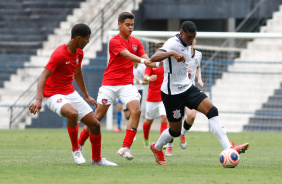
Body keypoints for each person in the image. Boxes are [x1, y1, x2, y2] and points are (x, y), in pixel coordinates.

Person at [149, 21, 249, 165]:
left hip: (187, 88)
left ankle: (230, 148)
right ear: (181, 33)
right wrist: (172, 53)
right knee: (175, 131)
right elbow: (153, 58)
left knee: (212, 111)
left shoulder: (189, 45)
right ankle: (157, 148)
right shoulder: (172, 43)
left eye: (193, 37)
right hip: (172, 94)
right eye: (189, 37)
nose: (191, 41)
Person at [29, 23, 117, 166]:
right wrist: (38, 100)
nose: (88, 42)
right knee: (73, 113)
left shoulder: (79, 52)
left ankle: (97, 159)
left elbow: (77, 73)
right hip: (52, 94)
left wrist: (86, 95)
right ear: (78, 38)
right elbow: (43, 76)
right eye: (86, 39)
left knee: (95, 124)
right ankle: (76, 150)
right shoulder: (59, 54)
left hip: (69, 92)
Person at [77, 12, 157, 161]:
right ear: (119, 24)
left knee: (136, 110)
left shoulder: (136, 42)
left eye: (132, 25)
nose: (130, 28)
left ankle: (125, 147)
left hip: (127, 84)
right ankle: (79, 144)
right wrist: (145, 61)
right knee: (96, 118)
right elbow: (127, 55)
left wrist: (159, 63)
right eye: (127, 25)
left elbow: (148, 59)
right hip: (110, 84)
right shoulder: (114, 41)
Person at [142, 41, 173, 156]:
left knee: (164, 118)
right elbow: (145, 77)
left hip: (164, 97)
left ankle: (162, 142)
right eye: (160, 50)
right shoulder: (152, 63)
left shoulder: (168, 64)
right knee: (149, 121)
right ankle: (146, 139)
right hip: (151, 98)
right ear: (156, 52)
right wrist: (150, 78)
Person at [179, 38, 204, 149]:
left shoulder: (198, 54)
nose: (190, 40)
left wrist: (199, 79)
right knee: (176, 119)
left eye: (192, 38)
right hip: (178, 89)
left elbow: (197, 67)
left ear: (195, 41)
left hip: (190, 89)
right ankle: (169, 144)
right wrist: (185, 73)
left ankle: (182, 133)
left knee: (192, 115)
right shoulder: (180, 53)